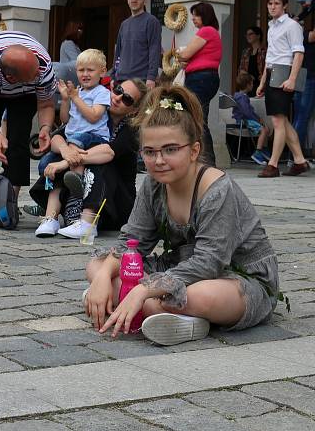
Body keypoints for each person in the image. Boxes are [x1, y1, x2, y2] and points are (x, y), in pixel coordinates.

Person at [84, 86, 280, 346]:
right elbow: (132, 243)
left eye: (170, 149)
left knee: (193, 296)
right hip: (178, 268)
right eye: (150, 152)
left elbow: (209, 264)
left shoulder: (217, 190)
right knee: (97, 266)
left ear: (194, 150)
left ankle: (168, 312)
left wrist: (144, 289)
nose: (159, 160)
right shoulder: (153, 185)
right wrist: (101, 278)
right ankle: (165, 311)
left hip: (235, 277)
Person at [27, 79, 148, 236]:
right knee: (68, 149)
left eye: (127, 99)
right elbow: (57, 138)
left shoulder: (131, 130)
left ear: (133, 110)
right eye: (118, 90)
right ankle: (51, 218)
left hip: (113, 205)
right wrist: (66, 151)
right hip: (89, 193)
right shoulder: (94, 116)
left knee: (99, 161)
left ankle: (87, 224)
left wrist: (66, 162)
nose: (117, 98)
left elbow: (107, 152)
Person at [0, 31, 57, 206]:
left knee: (18, 135)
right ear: (11, 78)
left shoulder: (43, 68)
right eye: (32, 77)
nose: (36, 77)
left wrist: (45, 128)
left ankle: (10, 199)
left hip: (26, 94)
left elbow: (46, 104)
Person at [33, 49, 110, 238]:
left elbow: (93, 117)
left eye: (90, 70)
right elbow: (66, 119)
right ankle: (49, 217)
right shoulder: (78, 92)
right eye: (80, 70)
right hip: (73, 139)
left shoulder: (102, 92)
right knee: (48, 161)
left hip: (93, 137)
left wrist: (75, 97)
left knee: (73, 143)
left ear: (102, 72)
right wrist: (66, 100)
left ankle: (71, 172)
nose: (85, 74)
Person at [256, 0, 310, 177]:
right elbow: (270, 57)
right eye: (270, 4)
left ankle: (273, 165)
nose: (272, 7)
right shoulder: (272, 27)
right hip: (272, 73)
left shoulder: (292, 25)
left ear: (285, 5)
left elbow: (299, 53)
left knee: (278, 121)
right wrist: (262, 81)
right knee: (283, 121)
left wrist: (293, 79)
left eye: (276, 4)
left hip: (285, 72)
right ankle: (300, 161)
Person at [176, 1, 222, 166]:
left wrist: (181, 53)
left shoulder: (207, 31)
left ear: (205, 16)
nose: (194, 19)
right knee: (199, 117)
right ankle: (204, 160)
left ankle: (207, 161)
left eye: (197, 15)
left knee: (197, 119)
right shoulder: (212, 33)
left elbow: (186, 54)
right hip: (205, 78)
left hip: (200, 78)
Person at [112, 0, 162, 89]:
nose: (134, 0)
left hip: (141, 79)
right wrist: (113, 75)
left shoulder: (151, 21)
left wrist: (151, 77)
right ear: (127, 0)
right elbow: (118, 52)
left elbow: (154, 50)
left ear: (145, 1)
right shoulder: (124, 24)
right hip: (121, 78)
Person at [231, 71, 272, 165]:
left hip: (242, 120)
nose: (253, 85)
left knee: (266, 129)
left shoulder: (238, 95)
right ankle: (258, 152)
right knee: (264, 130)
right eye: (252, 83)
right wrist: (257, 119)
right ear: (248, 85)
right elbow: (247, 112)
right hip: (245, 121)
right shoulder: (242, 98)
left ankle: (263, 150)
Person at [293, 0, 315, 156]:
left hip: (303, 70)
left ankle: (294, 153)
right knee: (302, 114)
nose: (303, 6)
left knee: (300, 114)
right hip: (307, 72)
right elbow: (311, 37)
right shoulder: (303, 17)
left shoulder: (304, 15)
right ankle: (296, 154)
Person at [238, 26, 266, 97]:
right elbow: (241, 69)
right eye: (246, 35)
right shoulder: (246, 52)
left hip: (261, 85)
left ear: (258, 36)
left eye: (250, 34)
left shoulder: (265, 51)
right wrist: (248, 76)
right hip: (248, 85)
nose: (248, 36)